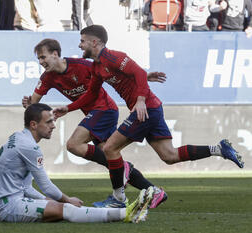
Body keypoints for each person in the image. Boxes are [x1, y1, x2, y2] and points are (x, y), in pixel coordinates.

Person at [53, 24, 244, 207]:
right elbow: (91, 94)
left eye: (83, 41)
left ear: (95, 42)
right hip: (151, 109)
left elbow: (137, 73)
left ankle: (118, 198)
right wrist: (68, 108)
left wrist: (141, 99)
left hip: (146, 109)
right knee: (169, 155)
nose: (80, 45)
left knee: (110, 148)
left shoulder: (113, 57)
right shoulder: (96, 67)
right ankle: (219, 149)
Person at [22, 38, 167, 208]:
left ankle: (123, 171)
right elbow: (34, 102)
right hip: (95, 114)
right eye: (39, 59)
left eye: (43, 57)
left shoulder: (81, 65)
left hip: (104, 109)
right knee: (111, 159)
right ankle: (153, 190)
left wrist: (145, 76)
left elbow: (112, 73)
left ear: (55, 54)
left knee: (73, 145)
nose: (41, 62)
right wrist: (29, 103)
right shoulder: (47, 78)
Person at [0, 103, 156, 223]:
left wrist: (48, 201)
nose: (53, 126)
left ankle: (123, 212)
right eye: (49, 122)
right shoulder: (29, 147)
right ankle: (125, 214)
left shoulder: (18, 138)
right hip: (9, 207)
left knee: (60, 208)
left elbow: (25, 187)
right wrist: (67, 200)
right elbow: (45, 185)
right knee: (68, 210)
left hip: (8, 203)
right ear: (33, 125)